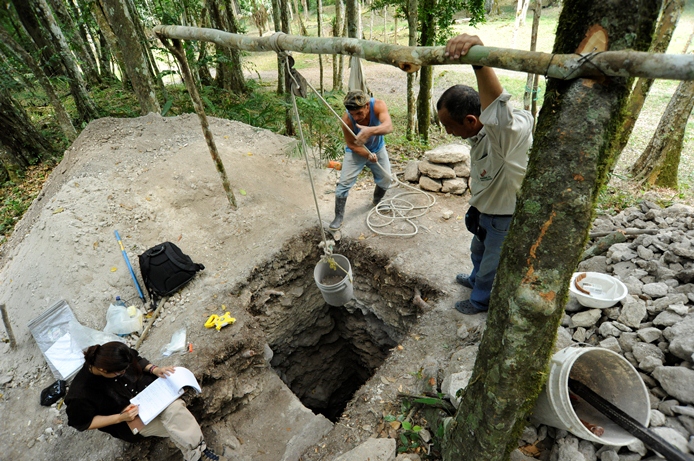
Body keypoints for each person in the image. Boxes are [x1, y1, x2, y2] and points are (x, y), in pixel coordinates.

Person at [437, 34, 533, 315]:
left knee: (492, 262)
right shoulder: (479, 134)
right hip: (485, 212)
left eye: (449, 126)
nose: (448, 133)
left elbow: (497, 113)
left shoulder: (503, 138)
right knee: (478, 252)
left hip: (502, 219)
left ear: (471, 120)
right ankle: (475, 279)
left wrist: (480, 61)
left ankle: (480, 300)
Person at [65, 341, 226, 461]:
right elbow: (84, 423)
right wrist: (120, 418)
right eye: (120, 372)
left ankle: (197, 454)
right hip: (129, 420)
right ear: (102, 370)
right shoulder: (80, 393)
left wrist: (155, 369)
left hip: (150, 396)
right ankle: (199, 454)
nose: (124, 372)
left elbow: (138, 360)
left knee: (175, 410)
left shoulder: (117, 353)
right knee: (177, 422)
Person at [329, 90, 394, 232]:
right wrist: (366, 154)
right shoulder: (347, 120)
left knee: (387, 178)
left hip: (378, 148)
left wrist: (370, 131)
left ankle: (377, 200)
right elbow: (352, 145)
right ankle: (338, 217)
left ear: (366, 106)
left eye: (359, 113)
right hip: (356, 152)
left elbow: (389, 127)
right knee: (344, 183)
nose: (356, 117)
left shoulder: (378, 105)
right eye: (353, 114)